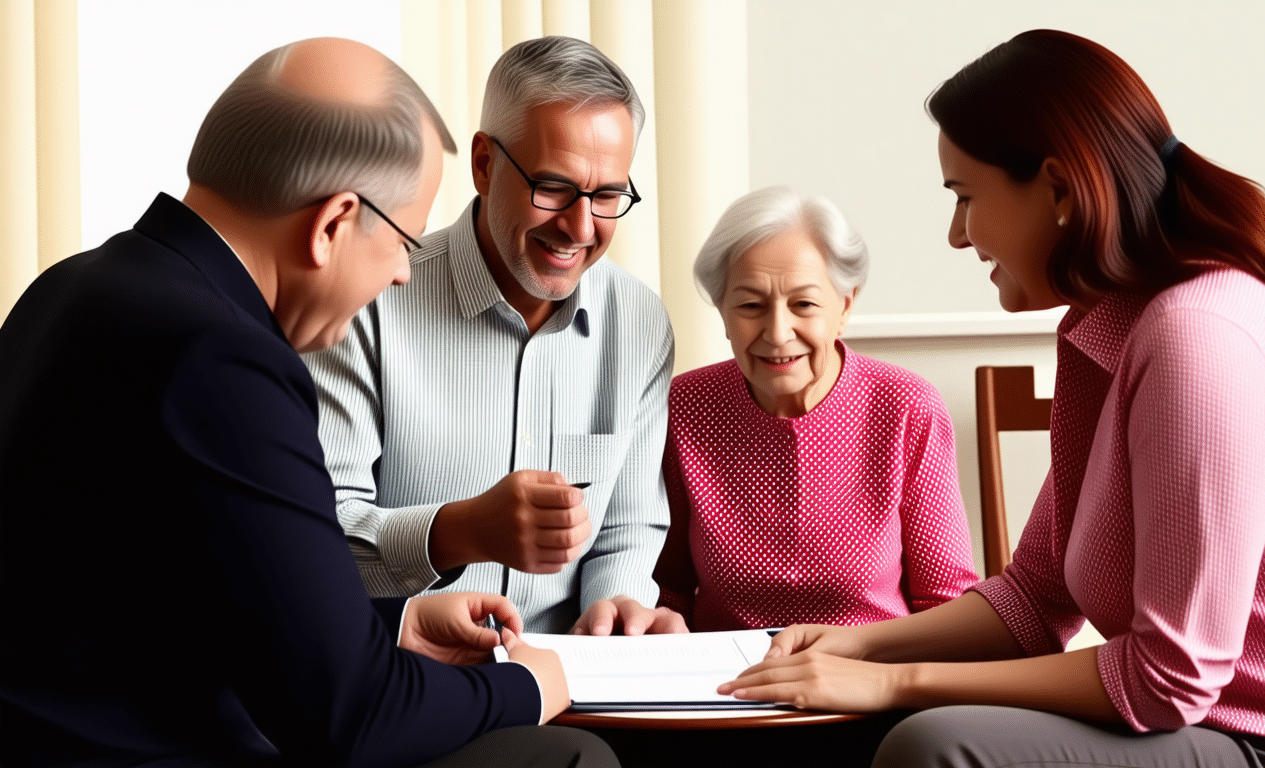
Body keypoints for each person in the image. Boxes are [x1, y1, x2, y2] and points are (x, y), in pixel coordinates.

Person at [719, 29, 1265, 768]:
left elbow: (1169, 680)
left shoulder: (1199, 340)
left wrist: (891, 682)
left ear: (1056, 188)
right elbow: (1035, 597)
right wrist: (854, 641)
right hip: (1202, 724)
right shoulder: (1106, 330)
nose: (957, 235)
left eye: (966, 197)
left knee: (933, 742)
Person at [0, 38, 617, 767]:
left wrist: (396, 624)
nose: (401, 277)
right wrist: (528, 685)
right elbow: (351, 718)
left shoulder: (66, 288)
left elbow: (168, 601)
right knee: (567, 755)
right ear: (332, 224)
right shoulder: (224, 357)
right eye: (402, 243)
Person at [305, 36, 682, 636]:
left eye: (608, 195)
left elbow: (628, 530)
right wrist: (462, 530)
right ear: (484, 163)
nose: (580, 227)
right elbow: (316, 541)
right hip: (406, 674)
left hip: (573, 684)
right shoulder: (372, 300)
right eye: (554, 187)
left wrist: (618, 605)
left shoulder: (638, 322)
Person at [653, 185, 978, 632]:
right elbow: (664, 586)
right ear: (722, 310)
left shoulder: (906, 406)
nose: (778, 331)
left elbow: (945, 603)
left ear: (844, 306)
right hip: (728, 687)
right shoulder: (686, 406)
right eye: (750, 305)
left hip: (874, 682)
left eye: (803, 304)